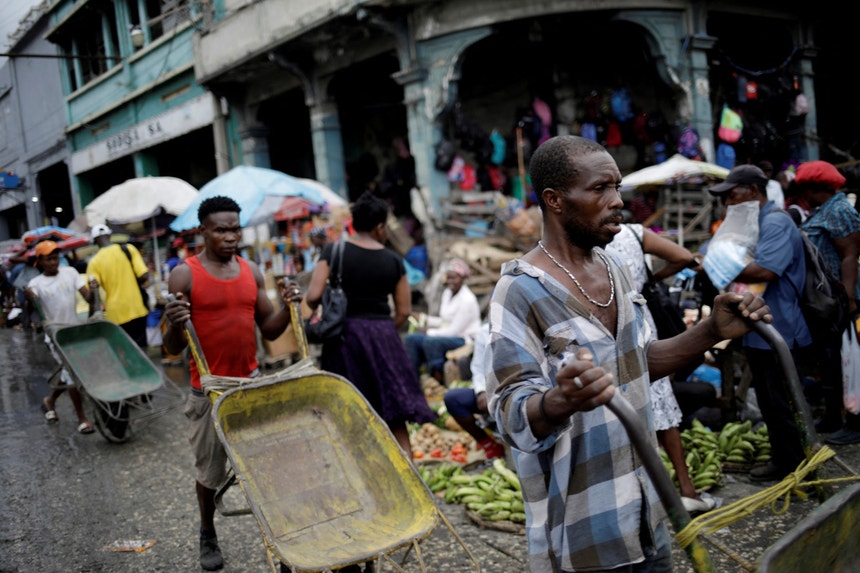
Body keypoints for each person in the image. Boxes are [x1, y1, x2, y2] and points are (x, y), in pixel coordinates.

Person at [484, 135, 771, 573]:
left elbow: (637, 364)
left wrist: (710, 331)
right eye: (600, 188)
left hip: (648, 514)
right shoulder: (519, 290)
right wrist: (560, 400)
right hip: (584, 536)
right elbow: (509, 414)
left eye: (616, 187)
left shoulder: (613, 268)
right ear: (554, 200)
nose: (617, 200)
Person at [162, 196, 304, 571]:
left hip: (249, 387)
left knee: (264, 470)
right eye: (221, 230)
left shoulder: (251, 271)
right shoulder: (184, 275)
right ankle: (207, 531)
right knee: (210, 474)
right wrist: (174, 322)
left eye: (235, 230)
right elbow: (171, 348)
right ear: (203, 231)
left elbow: (268, 329)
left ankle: (281, 538)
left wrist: (289, 307)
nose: (230, 237)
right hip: (208, 391)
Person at [304, 190, 437, 461]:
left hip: (344, 339)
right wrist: (385, 330)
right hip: (384, 337)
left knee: (346, 409)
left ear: (354, 223)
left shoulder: (334, 251)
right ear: (380, 227)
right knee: (394, 414)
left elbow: (313, 296)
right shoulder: (394, 260)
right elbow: (404, 311)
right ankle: (408, 474)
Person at [708, 164, 811, 482]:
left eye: (732, 196)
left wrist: (715, 261)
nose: (729, 203)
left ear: (753, 192)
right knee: (769, 398)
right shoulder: (754, 223)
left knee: (783, 400)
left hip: (779, 327)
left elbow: (765, 270)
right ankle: (785, 458)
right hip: (758, 328)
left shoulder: (775, 222)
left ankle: (796, 466)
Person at [606, 223, 715, 514]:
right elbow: (684, 257)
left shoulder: (580, 237)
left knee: (614, 405)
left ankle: (633, 497)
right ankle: (687, 491)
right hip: (640, 323)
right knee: (661, 402)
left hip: (604, 324)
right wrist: (648, 279)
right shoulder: (633, 232)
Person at [795, 160, 860, 445]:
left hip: (841, 300)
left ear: (813, 187)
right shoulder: (824, 210)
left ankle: (856, 422)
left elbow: (850, 254)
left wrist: (848, 298)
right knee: (830, 360)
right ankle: (833, 415)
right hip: (827, 300)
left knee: (850, 361)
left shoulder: (840, 210)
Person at [24, 240, 96, 434]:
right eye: (48, 259)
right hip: (55, 336)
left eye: (55, 258)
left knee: (69, 371)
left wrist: (93, 289)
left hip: (73, 332)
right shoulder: (36, 284)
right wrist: (29, 300)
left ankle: (50, 400)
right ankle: (82, 418)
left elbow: (88, 298)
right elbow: (31, 311)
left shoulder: (70, 273)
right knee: (70, 373)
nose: (53, 262)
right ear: (40, 261)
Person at [405, 258, 481, 383]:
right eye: (449, 278)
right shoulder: (447, 293)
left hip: (464, 339)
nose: (450, 282)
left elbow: (454, 331)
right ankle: (412, 378)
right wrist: (425, 319)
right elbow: (444, 321)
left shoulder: (468, 300)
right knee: (411, 339)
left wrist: (428, 332)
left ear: (463, 278)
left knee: (431, 342)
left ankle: (437, 379)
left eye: (454, 278)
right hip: (449, 335)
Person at [443, 322, 506, 461]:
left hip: (518, 391)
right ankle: (490, 445)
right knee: (453, 398)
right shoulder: (485, 331)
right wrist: (481, 391)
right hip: (492, 390)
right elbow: (478, 368)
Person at [86, 224, 150, 349]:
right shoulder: (128, 249)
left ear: (95, 242)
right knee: (141, 348)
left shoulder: (94, 262)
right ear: (110, 235)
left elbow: (94, 291)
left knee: (123, 349)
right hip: (136, 306)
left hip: (115, 314)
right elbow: (144, 275)